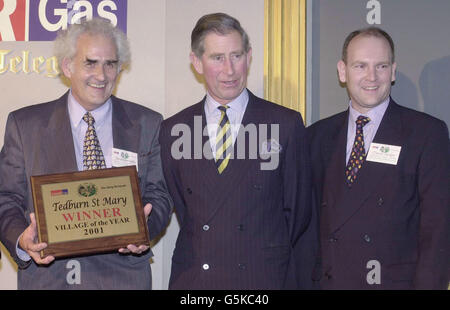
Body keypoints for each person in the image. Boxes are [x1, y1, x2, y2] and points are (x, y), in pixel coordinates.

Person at [0, 18, 172, 289]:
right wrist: (22, 238)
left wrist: (144, 229)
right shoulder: (25, 126)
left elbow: (159, 194)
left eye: (110, 63)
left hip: (123, 278)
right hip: (50, 279)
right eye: (90, 62)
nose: (102, 75)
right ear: (67, 66)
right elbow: (5, 197)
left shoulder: (147, 123)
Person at [159, 13, 316, 289]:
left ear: (249, 56)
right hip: (197, 280)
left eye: (237, 55)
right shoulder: (174, 130)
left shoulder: (285, 124)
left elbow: (299, 211)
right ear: (197, 62)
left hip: (262, 278)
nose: (230, 70)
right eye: (217, 58)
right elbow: (185, 210)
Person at [308, 27, 449, 289]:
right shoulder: (316, 137)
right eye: (360, 66)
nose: (371, 77)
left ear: (393, 71)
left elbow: (438, 231)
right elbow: (306, 229)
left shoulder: (426, 133)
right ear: (342, 71)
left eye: (381, 66)